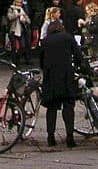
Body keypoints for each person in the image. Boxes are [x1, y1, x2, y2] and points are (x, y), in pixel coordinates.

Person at [40, 19, 81, 147]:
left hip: (51, 77)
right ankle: (70, 137)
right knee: (68, 106)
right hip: (66, 76)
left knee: (51, 108)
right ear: (61, 28)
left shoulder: (45, 41)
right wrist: (78, 65)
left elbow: (41, 60)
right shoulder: (68, 37)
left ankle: (50, 137)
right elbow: (78, 55)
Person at [6, 0, 30, 66]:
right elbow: (10, 17)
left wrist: (24, 20)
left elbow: (28, 20)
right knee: (14, 47)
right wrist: (17, 15)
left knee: (22, 46)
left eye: (20, 3)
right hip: (13, 30)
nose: (19, 4)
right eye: (17, 2)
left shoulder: (22, 10)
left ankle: (17, 58)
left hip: (21, 31)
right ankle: (14, 62)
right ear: (15, 2)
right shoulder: (11, 9)